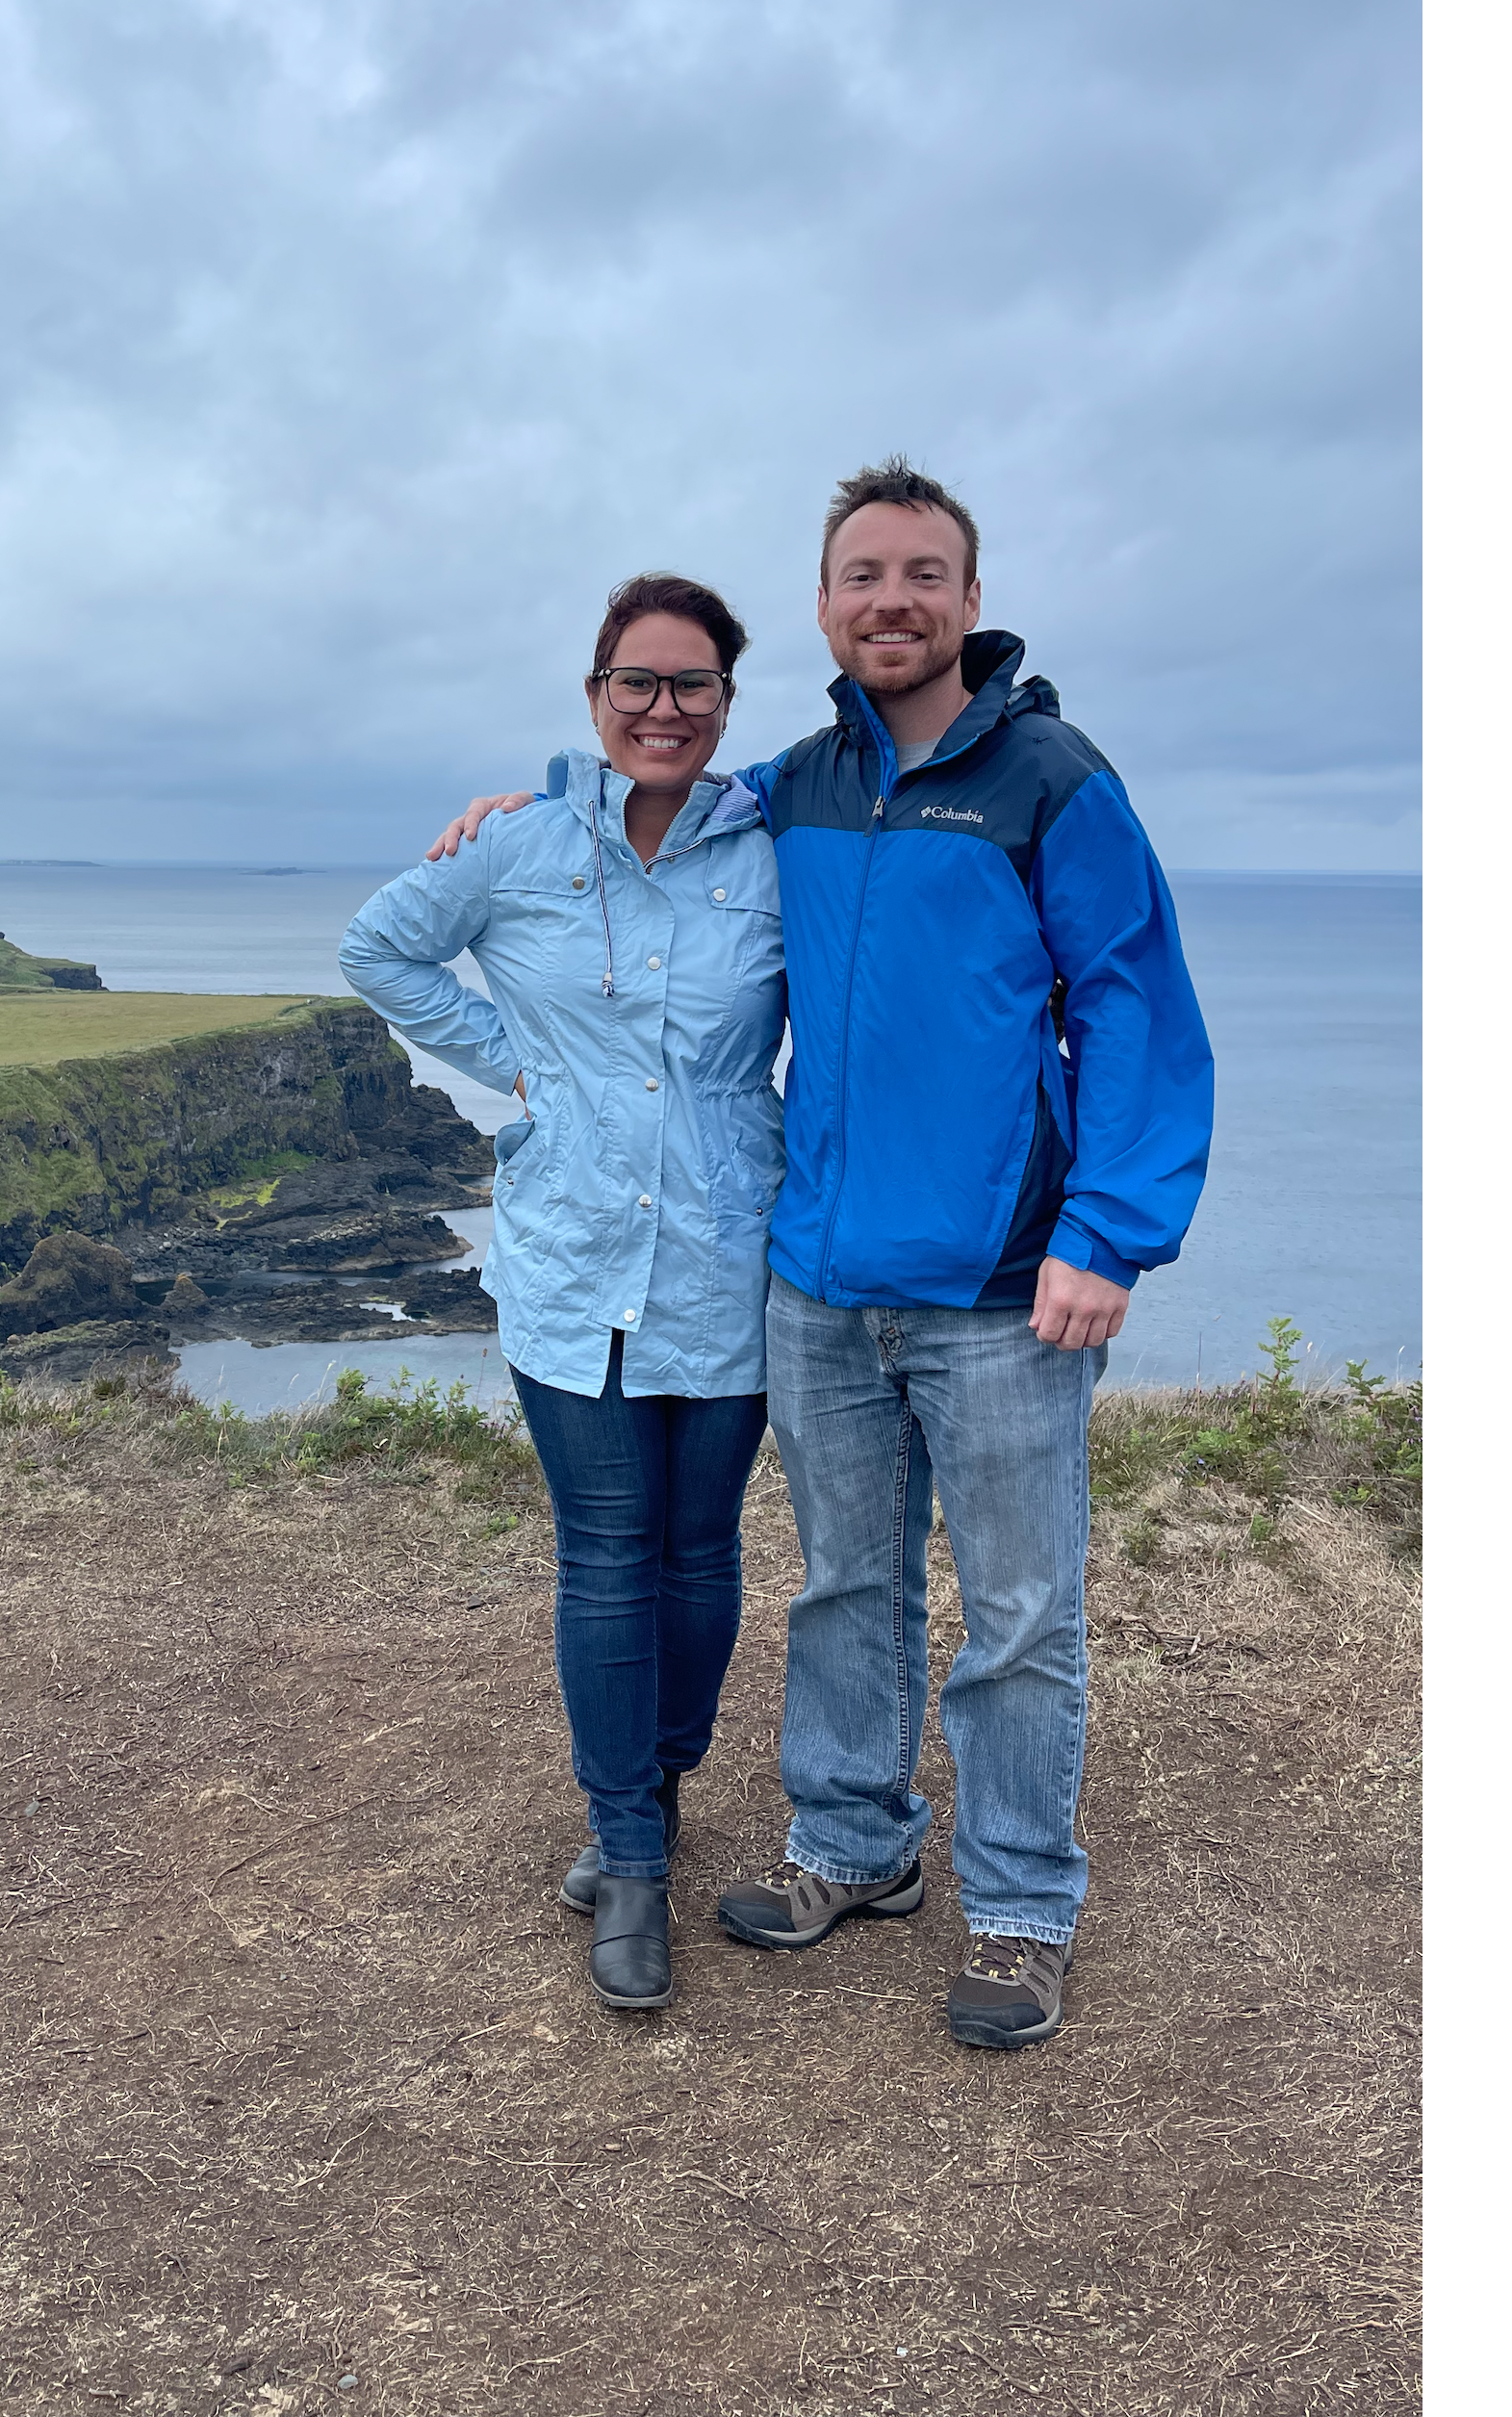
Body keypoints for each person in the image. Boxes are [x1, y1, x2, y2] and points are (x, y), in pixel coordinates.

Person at [429, 459, 1213, 2049]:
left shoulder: (1049, 782)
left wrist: (1108, 1230)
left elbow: (1131, 1001)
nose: (892, 601)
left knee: (1016, 1613)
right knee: (845, 1585)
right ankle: (855, 1847)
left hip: (1002, 1281)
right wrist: (518, 813)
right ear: (822, 604)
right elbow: (642, 836)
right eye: (863, 575)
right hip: (812, 1276)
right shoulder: (787, 791)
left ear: (970, 600)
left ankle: (1013, 1904)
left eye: (923, 574)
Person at [339, 575, 787, 2013]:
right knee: (606, 1551)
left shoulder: (775, 848)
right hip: (569, 1249)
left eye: (693, 685)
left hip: (726, 1245)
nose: (664, 707)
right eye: (635, 683)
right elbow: (379, 945)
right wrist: (515, 1074)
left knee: (701, 1552)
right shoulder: (521, 844)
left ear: (725, 702)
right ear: (593, 698)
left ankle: (654, 1790)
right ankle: (628, 1852)